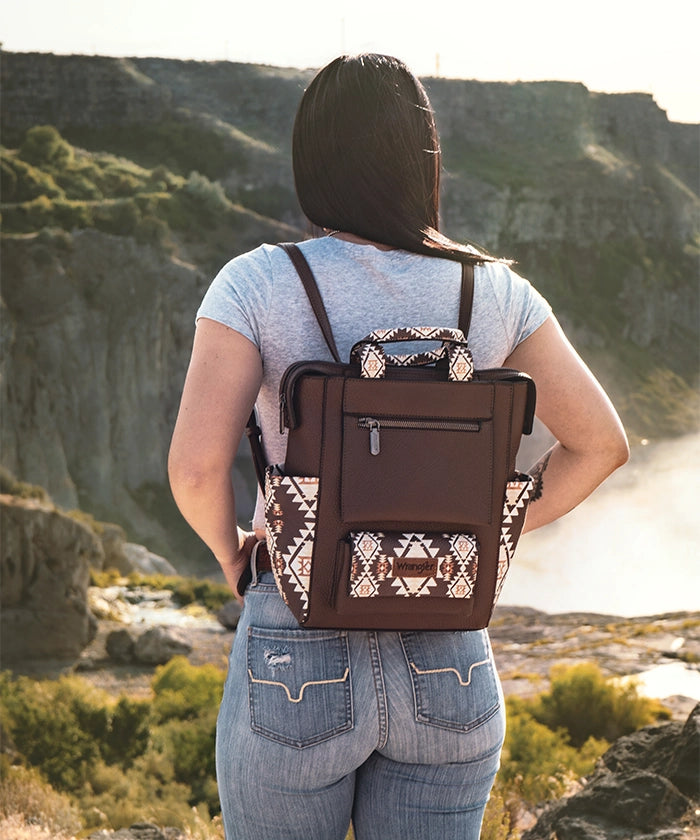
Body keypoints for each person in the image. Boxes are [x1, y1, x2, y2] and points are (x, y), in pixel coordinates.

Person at [168, 54, 629, 840]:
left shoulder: (258, 284)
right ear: (424, 159)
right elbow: (601, 445)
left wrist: (233, 554)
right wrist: (489, 527)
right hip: (450, 655)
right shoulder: (493, 291)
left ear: (313, 160)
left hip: (295, 648)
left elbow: (196, 467)